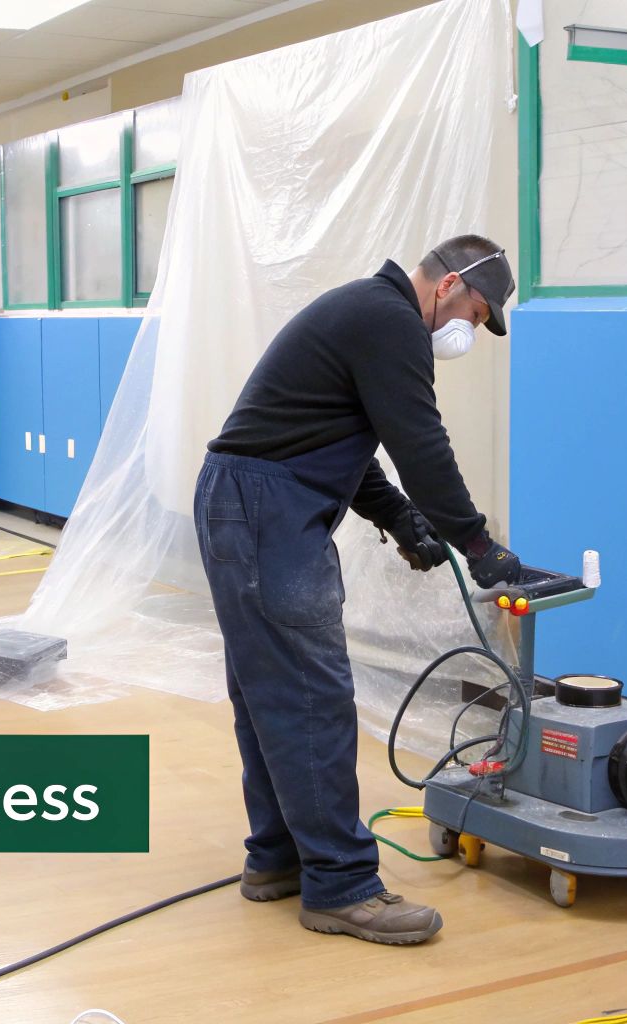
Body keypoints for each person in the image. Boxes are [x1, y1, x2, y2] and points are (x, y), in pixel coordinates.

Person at [192, 234, 522, 945]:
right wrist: (477, 544)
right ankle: (341, 885)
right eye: (476, 309)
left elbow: (340, 440)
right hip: (264, 509)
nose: (470, 326)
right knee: (310, 696)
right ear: (449, 285)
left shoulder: (368, 314)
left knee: (270, 692)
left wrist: (401, 517)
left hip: (246, 500)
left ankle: (278, 859)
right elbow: (420, 443)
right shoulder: (391, 320)